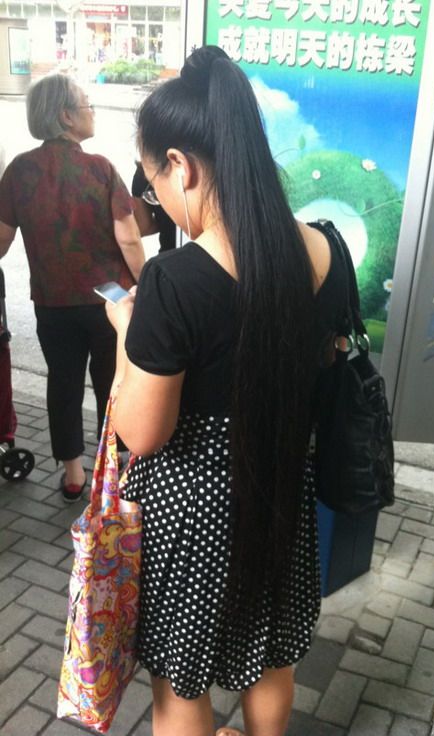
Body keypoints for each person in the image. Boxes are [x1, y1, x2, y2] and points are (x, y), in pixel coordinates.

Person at [106, 46, 346, 736]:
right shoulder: (326, 251)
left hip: (195, 515)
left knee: (183, 682)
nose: (160, 200)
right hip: (284, 495)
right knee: (269, 658)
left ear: (180, 164)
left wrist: (127, 331)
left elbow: (141, 434)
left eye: (155, 183)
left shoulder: (175, 283)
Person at [0, 74, 145, 502]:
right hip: (109, 301)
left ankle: (73, 474)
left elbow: (2, 240)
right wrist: (147, 283)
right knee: (110, 383)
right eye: (86, 104)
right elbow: (130, 238)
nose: (92, 110)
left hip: (52, 301)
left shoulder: (19, 172)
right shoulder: (99, 168)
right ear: (66, 115)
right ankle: (113, 470)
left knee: (62, 382)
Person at [131, 162, 177, 252]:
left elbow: (144, 226)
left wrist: (165, 223)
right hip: (206, 252)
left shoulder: (142, 172)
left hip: (168, 255)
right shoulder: (204, 162)